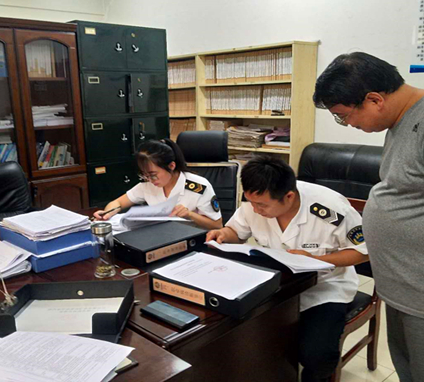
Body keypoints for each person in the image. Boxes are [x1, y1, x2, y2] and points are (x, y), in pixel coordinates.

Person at [313, 52, 424, 382]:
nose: (347, 124)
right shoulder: (400, 121)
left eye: (343, 116)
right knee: (412, 372)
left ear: (374, 99)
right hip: (406, 288)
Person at [206, 156, 368, 382]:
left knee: (316, 354)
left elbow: (363, 252)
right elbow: (236, 231)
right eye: (251, 203)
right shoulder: (255, 200)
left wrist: (316, 259)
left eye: (262, 205)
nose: (255, 210)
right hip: (276, 285)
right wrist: (223, 234)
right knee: (239, 335)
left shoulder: (331, 209)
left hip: (324, 287)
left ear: (289, 196)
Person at [93, 138, 223, 230]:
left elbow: (217, 225)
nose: (150, 179)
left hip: (191, 240)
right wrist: (107, 213)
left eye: (153, 174)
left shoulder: (198, 186)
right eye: (145, 175)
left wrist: (190, 214)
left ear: (171, 166)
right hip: (159, 237)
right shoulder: (147, 185)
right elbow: (118, 203)